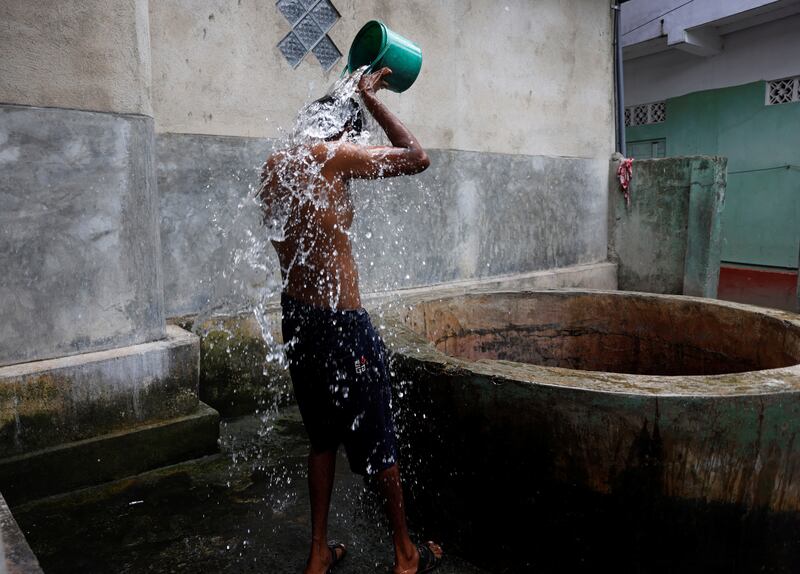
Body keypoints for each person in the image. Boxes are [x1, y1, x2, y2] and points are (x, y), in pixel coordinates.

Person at [259, 67, 443, 574]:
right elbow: (415, 156)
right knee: (378, 436)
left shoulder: (276, 165)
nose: (356, 143)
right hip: (342, 326)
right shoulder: (330, 155)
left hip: (297, 320)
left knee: (322, 436)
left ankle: (318, 553)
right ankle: (406, 555)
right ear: (339, 131)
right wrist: (371, 98)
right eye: (353, 133)